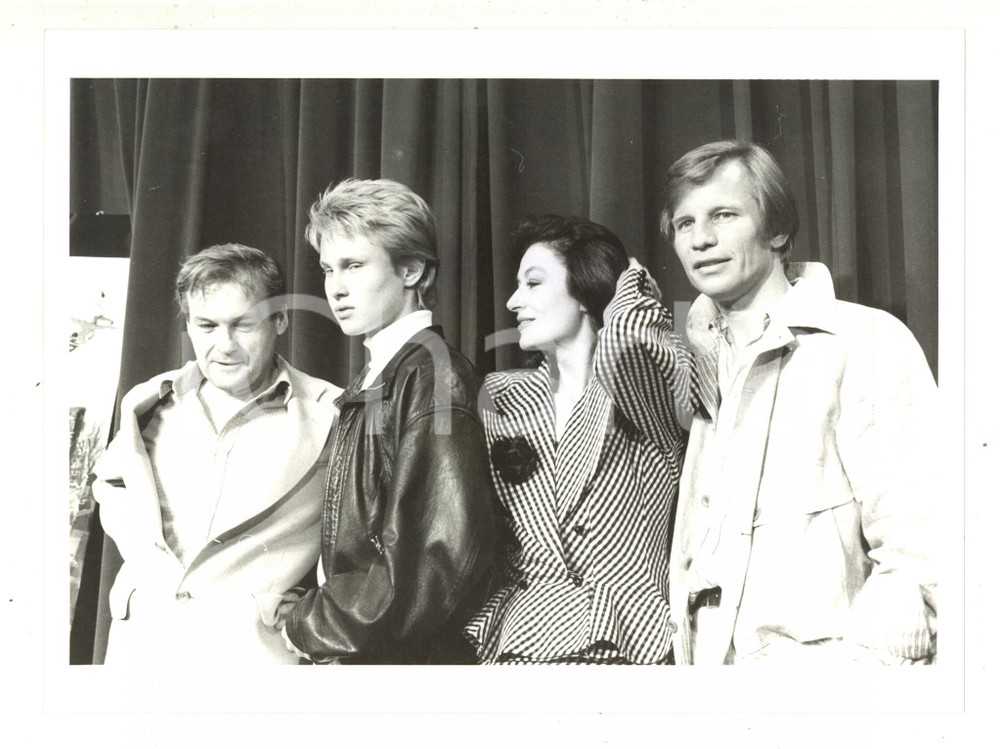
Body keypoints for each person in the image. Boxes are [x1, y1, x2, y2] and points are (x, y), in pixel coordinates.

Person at [659, 140, 938, 664]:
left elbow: (919, 547)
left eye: (724, 215)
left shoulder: (863, 339)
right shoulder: (696, 361)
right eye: (685, 223)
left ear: (778, 230)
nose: (703, 239)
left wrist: (855, 676)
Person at [92, 243, 342, 665]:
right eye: (206, 326)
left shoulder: (332, 414)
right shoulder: (149, 403)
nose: (223, 345)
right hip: (143, 651)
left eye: (242, 325)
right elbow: (110, 483)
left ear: (280, 320)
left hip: (254, 660)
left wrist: (305, 609)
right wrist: (146, 565)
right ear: (188, 325)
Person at [282, 178, 495, 664]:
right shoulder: (386, 372)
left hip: (401, 668)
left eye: (354, 266)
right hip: (371, 658)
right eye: (327, 269)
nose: (336, 287)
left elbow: (433, 562)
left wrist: (312, 626)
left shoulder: (432, 375)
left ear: (413, 270)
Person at [464, 214, 693, 664]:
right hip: (520, 639)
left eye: (533, 284)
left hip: (627, 638)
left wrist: (629, 281)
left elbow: (625, 343)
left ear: (586, 287)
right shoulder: (504, 395)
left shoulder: (640, 389)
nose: (513, 301)